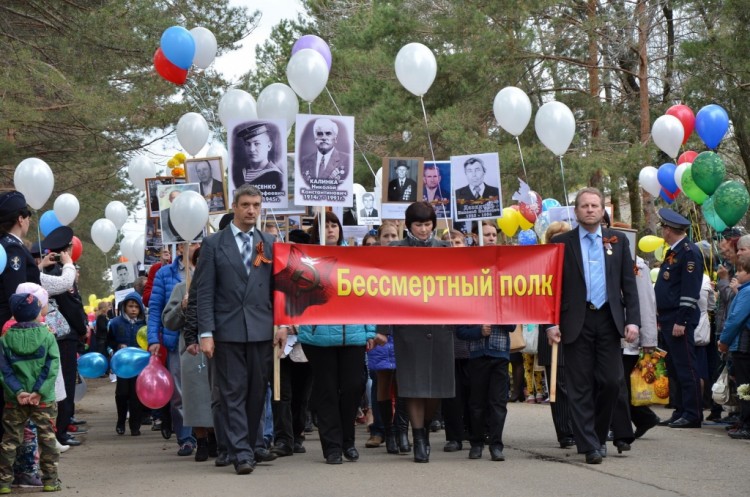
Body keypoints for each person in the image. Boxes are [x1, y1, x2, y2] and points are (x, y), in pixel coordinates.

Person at [195, 184, 288, 475]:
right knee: (232, 392)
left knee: (257, 393)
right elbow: (204, 292)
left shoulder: (269, 244)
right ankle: (242, 453)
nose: (251, 210)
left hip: (261, 331)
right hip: (227, 331)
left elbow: (279, 289)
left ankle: (249, 445)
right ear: (234, 206)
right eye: (246, 204)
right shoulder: (213, 244)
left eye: (256, 205)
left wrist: (282, 324)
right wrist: (206, 333)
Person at [544, 187, 640, 465]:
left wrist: (632, 320)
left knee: (611, 381)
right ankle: (589, 445)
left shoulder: (618, 241)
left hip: (609, 320)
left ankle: (597, 435)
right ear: (576, 211)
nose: (589, 209)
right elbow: (550, 287)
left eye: (594, 205)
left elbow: (628, 285)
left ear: (602, 211)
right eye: (584, 205)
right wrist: (551, 322)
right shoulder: (562, 242)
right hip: (576, 321)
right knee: (580, 385)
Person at [376, 202, 453, 463]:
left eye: (428, 224)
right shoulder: (395, 250)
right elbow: (383, 289)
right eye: (418, 224)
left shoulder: (446, 249)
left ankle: (425, 430)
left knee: (436, 388)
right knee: (413, 385)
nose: (423, 229)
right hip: (409, 327)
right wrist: (383, 329)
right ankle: (418, 436)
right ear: (408, 225)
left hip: (441, 326)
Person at [298, 212, 376, 464]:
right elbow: (296, 295)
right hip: (318, 338)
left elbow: (367, 295)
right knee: (327, 392)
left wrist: (370, 330)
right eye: (326, 225)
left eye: (334, 225)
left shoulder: (355, 259)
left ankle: (348, 441)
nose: (330, 229)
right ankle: (332, 447)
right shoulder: (306, 260)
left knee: (353, 387)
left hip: (352, 335)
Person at [0, 292, 61, 493]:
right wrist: (38, 392)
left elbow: (4, 370)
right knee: (47, 438)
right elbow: (52, 367)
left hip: (14, 399)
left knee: (10, 440)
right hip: (42, 400)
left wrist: (18, 391)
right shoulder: (47, 336)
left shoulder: (6, 339)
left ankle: (4, 483)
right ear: (37, 313)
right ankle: (51, 481)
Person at [147, 241, 200, 456]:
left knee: (204, 389)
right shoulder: (164, 274)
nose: (195, 246)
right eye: (191, 243)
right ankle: (186, 438)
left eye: (198, 242)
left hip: (205, 339)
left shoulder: (209, 269)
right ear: (179, 248)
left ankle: (205, 434)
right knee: (179, 392)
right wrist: (153, 338)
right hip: (175, 341)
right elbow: (156, 308)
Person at [654, 208, 704, 429]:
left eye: (663, 227)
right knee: (674, 366)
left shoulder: (689, 252)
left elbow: (689, 290)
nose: (662, 231)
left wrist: (681, 321)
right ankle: (681, 409)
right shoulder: (674, 251)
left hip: (678, 317)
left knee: (686, 366)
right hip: (668, 316)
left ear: (668, 229)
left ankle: (693, 413)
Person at [40, 227, 87, 449]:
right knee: (65, 384)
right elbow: (72, 307)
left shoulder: (50, 269)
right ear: (67, 249)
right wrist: (81, 329)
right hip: (63, 336)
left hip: (56, 335)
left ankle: (60, 428)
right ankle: (61, 430)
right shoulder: (61, 272)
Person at [535, 221, 575, 448]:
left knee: (577, 382)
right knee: (558, 384)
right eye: (557, 238)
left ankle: (579, 426)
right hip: (552, 330)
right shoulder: (545, 265)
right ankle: (565, 431)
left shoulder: (578, 264)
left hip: (577, 331)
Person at [718, 256, 750, 439]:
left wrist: (724, 340)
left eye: (741, 271)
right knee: (743, 386)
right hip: (742, 344)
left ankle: (747, 423)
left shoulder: (746, 292)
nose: (736, 274)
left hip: (744, 345)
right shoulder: (744, 290)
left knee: (745, 387)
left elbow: (735, 319)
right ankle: (744, 421)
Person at [107, 292, 146, 436]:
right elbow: (108, 341)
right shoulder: (116, 323)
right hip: (123, 365)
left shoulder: (144, 324)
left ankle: (135, 425)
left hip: (139, 365)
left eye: (136, 307)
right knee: (122, 393)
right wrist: (116, 347)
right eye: (130, 306)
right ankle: (121, 421)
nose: (133, 309)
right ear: (124, 307)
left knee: (136, 395)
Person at [232, 123, 284, 202]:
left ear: (268, 146)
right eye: (247, 144)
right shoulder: (238, 175)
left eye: (257, 144)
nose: (251, 149)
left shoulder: (277, 177)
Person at [299, 118, 350, 186]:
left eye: (328, 133)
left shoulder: (347, 160)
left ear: (335, 138)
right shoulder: (304, 161)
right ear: (315, 138)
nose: (323, 137)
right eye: (319, 134)